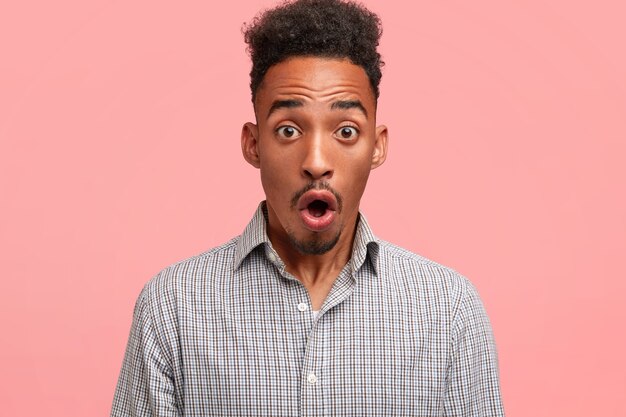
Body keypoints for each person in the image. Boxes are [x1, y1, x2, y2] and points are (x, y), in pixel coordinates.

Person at [110, 0, 505, 415]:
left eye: (346, 131)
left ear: (377, 146)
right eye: (288, 129)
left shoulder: (449, 308)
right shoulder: (173, 306)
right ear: (253, 143)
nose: (316, 161)